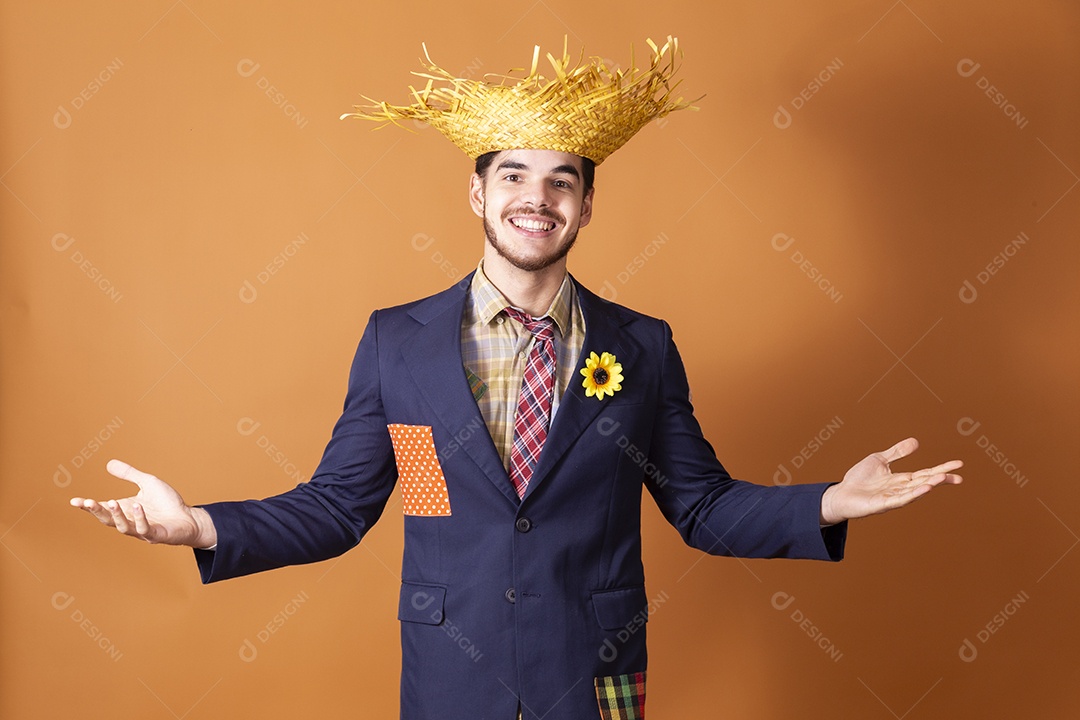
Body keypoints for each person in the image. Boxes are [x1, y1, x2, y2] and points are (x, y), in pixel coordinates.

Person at [70, 37, 962, 720]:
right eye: (514, 175)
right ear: (477, 194)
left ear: (585, 205)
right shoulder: (397, 344)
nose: (537, 198)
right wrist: (196, 526)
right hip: (451, 676)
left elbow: (702, 506)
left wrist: (827, 505)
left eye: (561, 181)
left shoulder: (642, 347)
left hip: (596, 670)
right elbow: (339, 507)